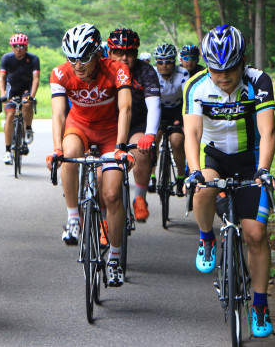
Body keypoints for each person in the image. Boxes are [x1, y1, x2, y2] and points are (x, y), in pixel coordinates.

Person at [183, 25, 275, 338]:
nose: (223, 78)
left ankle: (260, 304)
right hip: (214, 160)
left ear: (243, 61)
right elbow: (192, 133)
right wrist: (195, 170)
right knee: (202, 189)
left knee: (255, 233)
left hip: (250, 163)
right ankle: (206, 238)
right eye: (215, 71)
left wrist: (263, 169)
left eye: (230, 71)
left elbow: (267, 132)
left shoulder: (258, 81)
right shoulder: (195, 85)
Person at [46, 23, 133, 287]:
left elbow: (126, 107)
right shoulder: (60, 74)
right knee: (70, 153)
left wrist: (120, 146)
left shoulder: (117, 70)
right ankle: (73, 217)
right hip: (79, 127)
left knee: (111, 195)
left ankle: (115, 257)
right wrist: (57, 149)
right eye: (72, 58)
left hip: (109, 134)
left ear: (97, 53)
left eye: (84, 58)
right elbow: (59, 114)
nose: (78, 65)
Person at [106, 28, 161, 222]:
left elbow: (154, 105)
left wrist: (150, 134)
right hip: (109, 124)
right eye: (118, 52)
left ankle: (140, 198)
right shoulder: (102, 69)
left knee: (141, 150)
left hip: (138, 122)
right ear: (109, 52)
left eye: (129, 53)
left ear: (136, 54)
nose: (124, 58)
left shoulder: (145, 71)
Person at [0, 33, 40, 164]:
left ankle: (28, 129)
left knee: (27, 105)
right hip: (11, 89)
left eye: (21, 46)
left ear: (26, 47)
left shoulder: (33, 59)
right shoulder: (7, 58)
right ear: (12, 47)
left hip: (26, 88)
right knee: (10, 115)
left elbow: (36, 79)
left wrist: (32, 96)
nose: (18, 49)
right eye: (15, 46)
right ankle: (7, 151)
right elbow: (1, 78)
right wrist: (3, 94)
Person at [153, 43, 189, 195]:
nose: (164, 65)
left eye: (168, 61)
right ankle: (152, 176)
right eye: (160, 62)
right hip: (158, 108)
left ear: (174, 62)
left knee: (177, 141)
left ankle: (180, 177)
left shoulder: (182, 73)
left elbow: (187, 96)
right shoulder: (152, 73)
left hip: (176, 109)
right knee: (153, 140)